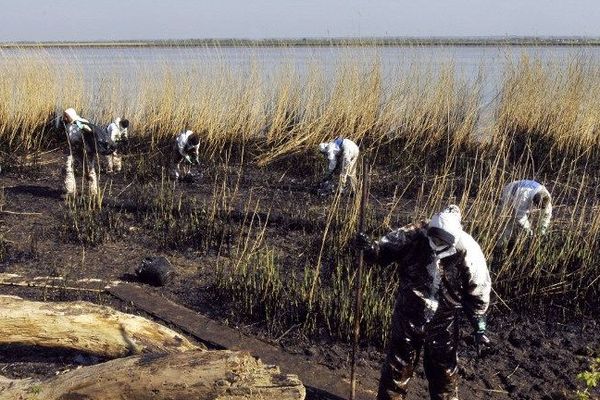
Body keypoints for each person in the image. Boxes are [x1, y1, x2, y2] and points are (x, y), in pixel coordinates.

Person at [356, 205, 491, 400]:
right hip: (408, 312)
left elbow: (479, 291)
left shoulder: (468, 251)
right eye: (433, 239)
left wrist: (480, 328)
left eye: (441, 242)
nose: (436, 245)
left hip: (443, 321)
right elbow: (383, 250)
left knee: (444, 373)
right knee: (397, 368)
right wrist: (369, 248)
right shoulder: (415, 233)